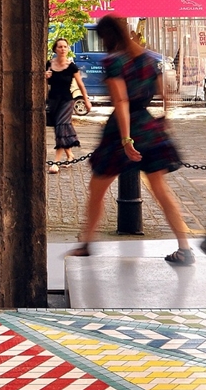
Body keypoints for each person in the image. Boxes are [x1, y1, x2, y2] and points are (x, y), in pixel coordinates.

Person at [72, 15, 194, 264]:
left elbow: (121, 101)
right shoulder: (151, 58)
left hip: (121, 130)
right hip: (149, 127)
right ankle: (185, 248)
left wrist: (126, 140)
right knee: (161, 190)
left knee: (97, 189)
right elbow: (165, 91)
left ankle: (86, 243)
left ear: (107, 36)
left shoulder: (115, 62)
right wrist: (165, 117)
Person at [45, 37, 91, 173]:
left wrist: (86, 100)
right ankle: (70, 155)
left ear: (68, 49)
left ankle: (55, 163)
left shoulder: (71, 67)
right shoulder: (49, 64)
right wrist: (44, 77)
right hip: (53, 100)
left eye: (65, 46)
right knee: (61, 129)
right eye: (60, 47)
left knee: (61, 126)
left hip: (67, 101)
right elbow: (42, 84)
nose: (63, 49)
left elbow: (81, 85)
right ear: (55, 49)